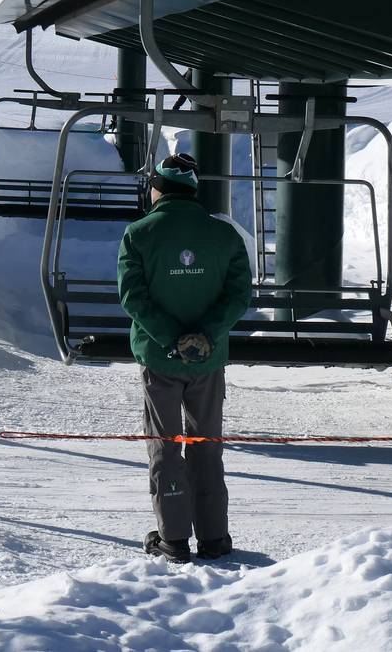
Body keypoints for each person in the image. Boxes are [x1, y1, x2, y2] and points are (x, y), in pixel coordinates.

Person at [117, 153, 252, 563]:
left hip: (160, 360)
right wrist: (204, 337)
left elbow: (133, 297)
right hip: (207, 363)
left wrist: (172, 340)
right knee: (206, 444)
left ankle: (173, 537)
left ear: (158, 189)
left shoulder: (138, 234)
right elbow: (238, 295)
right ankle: (214, 535)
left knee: (166, 445)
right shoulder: (224, 235)